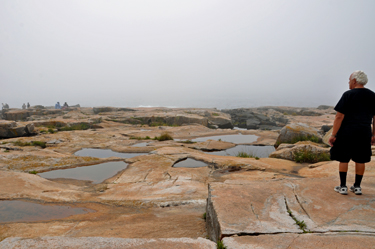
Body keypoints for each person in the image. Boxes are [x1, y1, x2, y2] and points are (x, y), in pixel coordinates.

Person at [329, 70, 375, 195]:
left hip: (347, 132)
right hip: (364, 132)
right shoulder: (372, 95)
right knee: (361, 160)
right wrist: (374, 134)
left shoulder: (348, 95)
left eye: (349, 80)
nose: (349, 82)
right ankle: (357, 186)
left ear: (354, 81)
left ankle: (343, 187)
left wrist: (333, 135)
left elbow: (339, 116)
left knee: (343, 159)